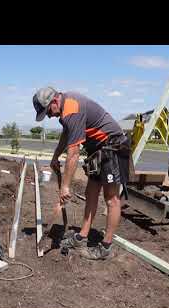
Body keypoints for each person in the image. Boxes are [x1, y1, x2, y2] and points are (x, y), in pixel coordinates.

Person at [32, 87, 130, 260]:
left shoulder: (72, 108)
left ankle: (106, 246)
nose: (49, 116)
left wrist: (66, 187)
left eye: (48, 111)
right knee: (90, 192)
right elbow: (67, 134)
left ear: (54, 101)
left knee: (111, 198)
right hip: (97, 150)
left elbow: (74, 153)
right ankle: (82, 237)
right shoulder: (65, 112)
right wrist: (55, 156)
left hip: (113, 147)